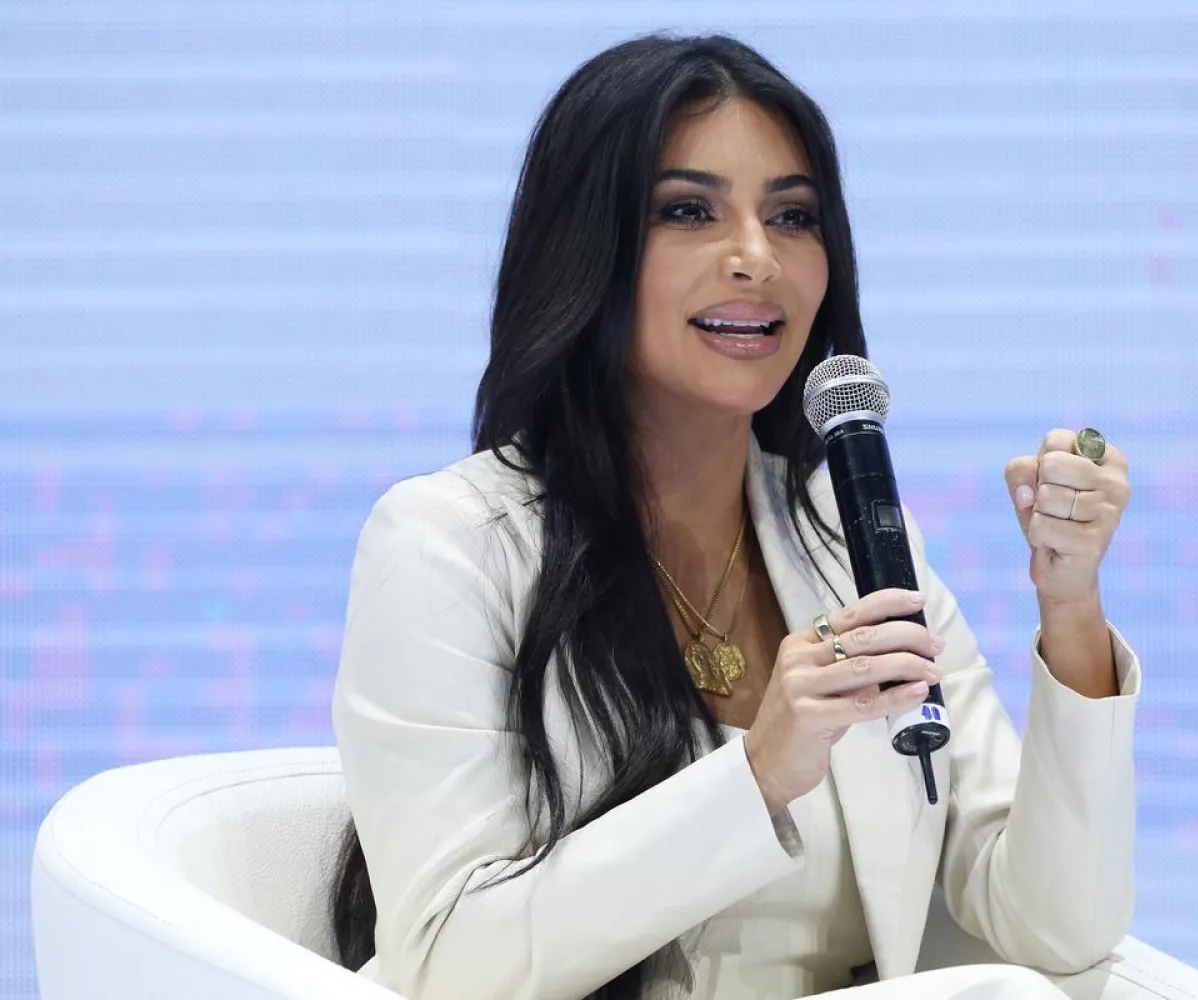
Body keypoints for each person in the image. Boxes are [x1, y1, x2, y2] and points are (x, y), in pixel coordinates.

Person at [329, 32, 1139, 1000]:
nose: (757, 258)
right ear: (585, 249)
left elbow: (1057, 929)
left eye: (793, 217)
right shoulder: (447, 543)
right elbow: (451, 967)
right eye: (688, 212)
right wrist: (758, 771)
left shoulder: (854, 543)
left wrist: (1071, 610)